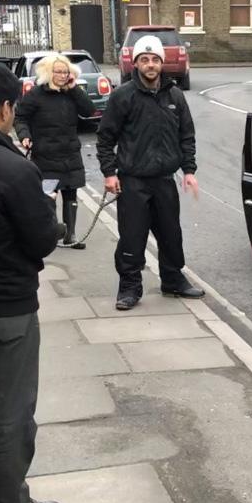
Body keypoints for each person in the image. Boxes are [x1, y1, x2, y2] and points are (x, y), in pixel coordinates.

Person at [0, 62, 64, 503]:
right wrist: (51, 216)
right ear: (3, 109)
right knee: (9, 411)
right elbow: (41, 239)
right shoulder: (15, 170)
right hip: (6, 310)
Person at [96, 35, 204, 310]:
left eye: (155, 59)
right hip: (133, 181)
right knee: (132, 236)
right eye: (144, 60)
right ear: (136, 63)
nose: (150, 65)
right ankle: (130, 287)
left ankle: (172, 280)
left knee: (171, 234)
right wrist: (110, 173)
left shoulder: (174, 95)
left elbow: (187, 135)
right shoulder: (124, 95)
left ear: (161, 62)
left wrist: (189, 170)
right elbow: (105, 137)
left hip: (164, 180)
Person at [14, 53, 96, 249]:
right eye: (58, 72)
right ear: (49, 73)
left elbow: (89, 110)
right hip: (45, 155)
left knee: (71, 194)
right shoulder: (35, 94)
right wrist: (24, 135)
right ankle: (49, 235)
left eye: (65, 72)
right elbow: (21, 117)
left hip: (70, 154)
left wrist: (75, 89)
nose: (62, 75)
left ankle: (70, 235)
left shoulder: (72, 92)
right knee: (48, 196)